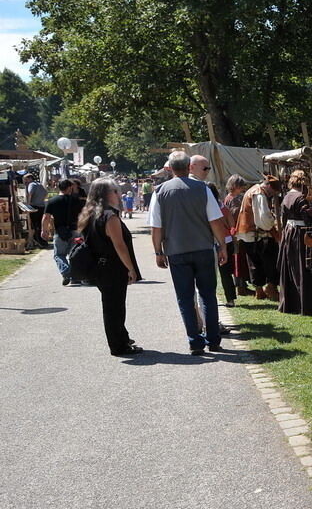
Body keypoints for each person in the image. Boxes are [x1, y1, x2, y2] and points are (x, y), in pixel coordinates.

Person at [149, 151, 229, 355]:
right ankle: (214, 340)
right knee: (208, 295)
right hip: (203, 249)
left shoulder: (159, 192)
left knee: (185, 298)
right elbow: (215, 221)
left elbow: (156, 227)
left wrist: (158, 251)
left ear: (171, 169)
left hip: (176, 251)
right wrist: (222, 245)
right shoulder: (202, 189)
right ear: (188, 167)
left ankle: (195, 341)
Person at [77, 177, 143, 356]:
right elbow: (119, 245)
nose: (118, 194)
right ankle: (118, 345)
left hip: (99, 267)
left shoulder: (89, 213)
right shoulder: (109, 216)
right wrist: (131, 268)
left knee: (112, 305)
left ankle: (122, 337)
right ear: (106, 194)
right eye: (115, 191)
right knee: (114, 308)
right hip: (113, 267)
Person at [277, 170, 312, 316]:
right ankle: (306, 305)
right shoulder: (301, 198)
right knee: (303, 269)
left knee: (293, 268)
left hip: (290, 234)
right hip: (302, 235)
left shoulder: (286, 197)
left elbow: (284, 219)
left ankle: (293, 304)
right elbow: (309, 218)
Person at [235, 175, 280, 300]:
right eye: (274, 191)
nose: (273, 194)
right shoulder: (259, 194)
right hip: (256, 234)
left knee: (255, 263)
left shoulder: (253, 190)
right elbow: (263, 220)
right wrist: (273, 224)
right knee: (269, 261)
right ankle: (270, 288)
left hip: (249, 234)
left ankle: (259, 290)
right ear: (269, 187)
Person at [41, 179, 86, 285]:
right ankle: (75, 277)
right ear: (70, 188)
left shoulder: (52, 201)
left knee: (59, 255)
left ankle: (66, 271)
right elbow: (84, 215)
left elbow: (46, 217)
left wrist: (44, 230)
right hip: (75, 231)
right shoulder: (77, 200)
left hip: (60, 231)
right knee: (74, 255)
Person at [224, 175, 253, 297]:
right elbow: (235, 215)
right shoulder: (233, 199)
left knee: (238, 259)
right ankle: (240, 286)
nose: (243, 189)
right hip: (236, 233)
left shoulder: (230, 198)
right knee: (238, 259)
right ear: (235, 186)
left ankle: (242, 285)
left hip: (235, 233)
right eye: (241, 186)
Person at [25, 174, 49, 248]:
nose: (25, 181)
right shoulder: (39, 184)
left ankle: (38, 240)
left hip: (34, 207)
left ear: (30, 178)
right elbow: (46, 193)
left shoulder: (31, 184)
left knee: (35, 225)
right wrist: (41, 200)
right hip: (41, 206)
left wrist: (28, 204)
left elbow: (30, 194)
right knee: (39, 224)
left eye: (26, 179)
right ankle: (42, 240)